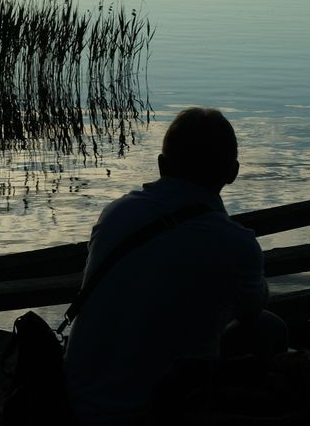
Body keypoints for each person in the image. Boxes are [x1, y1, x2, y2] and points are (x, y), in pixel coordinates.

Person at [63, 107, 273, 425]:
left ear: (162, 166)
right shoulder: (237, 244)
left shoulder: (116, 214)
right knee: (269, 328)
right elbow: (252, 309)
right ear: (233, 173)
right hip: (156, 412)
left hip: (74, 404)